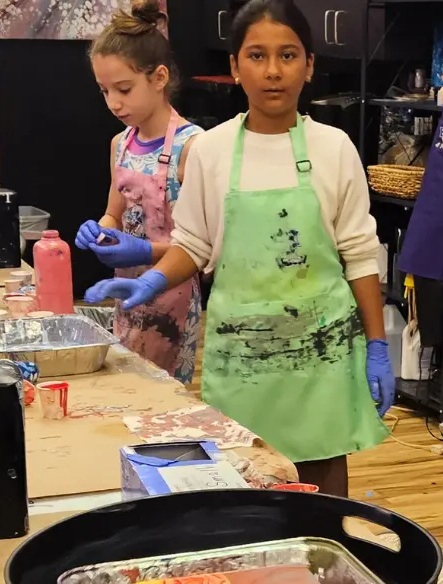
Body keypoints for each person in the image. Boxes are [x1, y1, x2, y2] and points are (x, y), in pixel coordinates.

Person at [85, 0, 392, 496]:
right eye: (256, 56)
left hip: (322, 360)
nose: (273, 71)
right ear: (234, 67)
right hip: (242, 360)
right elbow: (194, 243)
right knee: (245, 497)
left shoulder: (335, 148)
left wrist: (377, 345)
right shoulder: (211, 150)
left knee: (323, 501)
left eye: (288, 55)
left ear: (310, 65)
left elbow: (359, 254)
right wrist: (152, 278)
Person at [76, 0, 204, 384]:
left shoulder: (192, 147)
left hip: (173, 302)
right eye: (104, 91)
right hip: (126, 297)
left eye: (124, 89)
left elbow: (200, 246)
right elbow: (114, 213)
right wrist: (100, 231)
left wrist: (145, 250)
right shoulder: (121, 144)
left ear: (159, 77)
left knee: (162, 398)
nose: (114, 103)